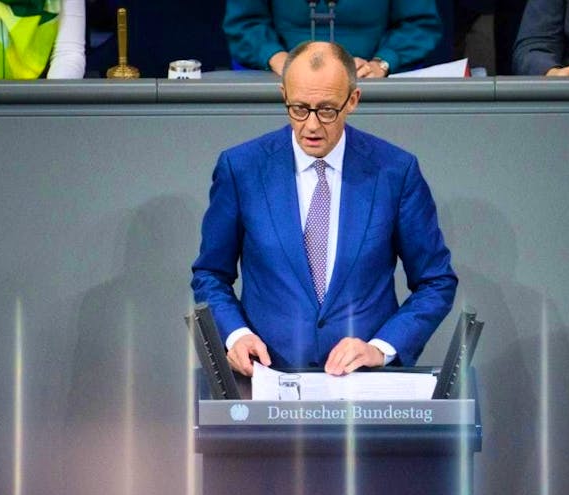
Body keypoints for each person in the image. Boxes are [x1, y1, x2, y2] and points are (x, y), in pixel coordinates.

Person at [191, 41, 457, 376]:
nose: (312, 125)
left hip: (363, 388)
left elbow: (436, 281)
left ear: (353, 101)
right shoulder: (241, 168)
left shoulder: (395, 171)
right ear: (283, 95)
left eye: (327, 110)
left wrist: (380, 348)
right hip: (268, 379)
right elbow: (210, 274)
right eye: (299, 108)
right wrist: (236, 336)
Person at [223, 0, 442, 77]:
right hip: (282, 81)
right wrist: (278, 59)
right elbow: (244, 23)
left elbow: (418, 24)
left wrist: (381, 64)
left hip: (368, 84)